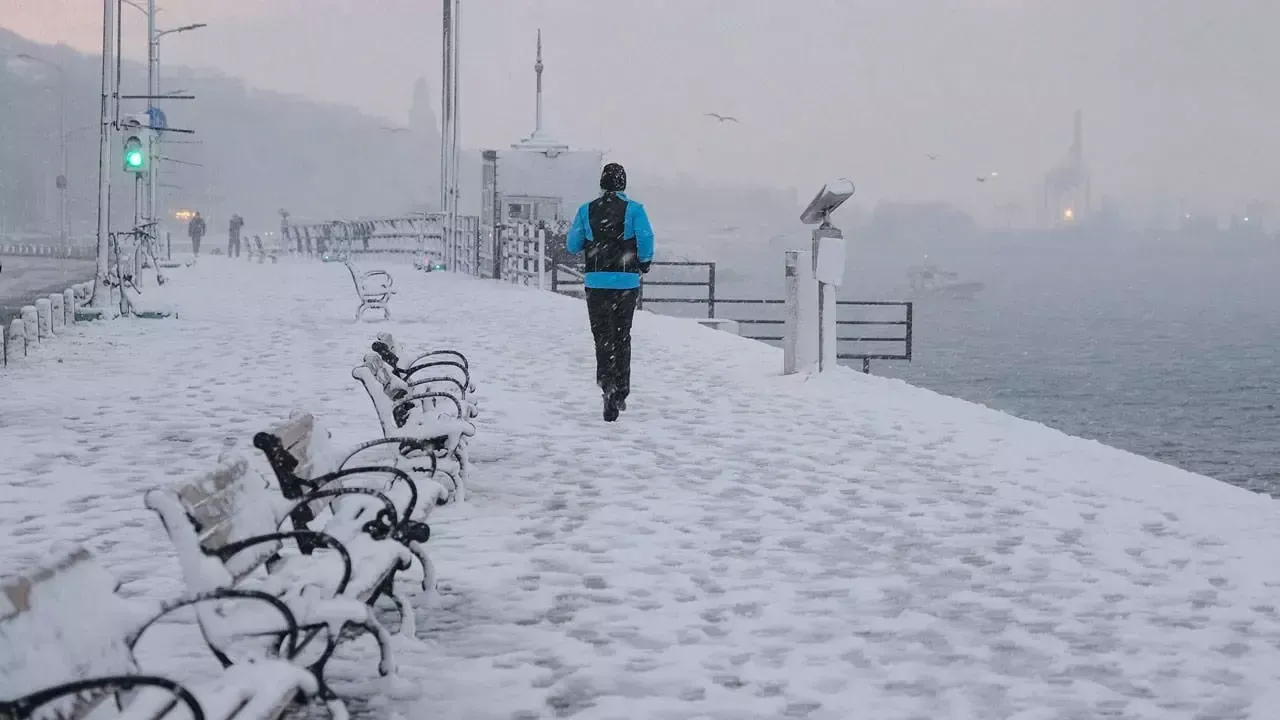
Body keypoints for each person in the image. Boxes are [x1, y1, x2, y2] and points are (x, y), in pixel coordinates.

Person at [566, 162, 655, 422]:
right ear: (623, 184)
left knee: (602, 336)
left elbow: (572, 244)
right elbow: (646, 239)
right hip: (626, 282)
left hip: (596, 282)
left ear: (602, 183)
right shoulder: (635, 210)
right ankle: (621, 391)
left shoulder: (586, 210)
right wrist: (644, 262)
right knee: (622, 335)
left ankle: (606, 386)